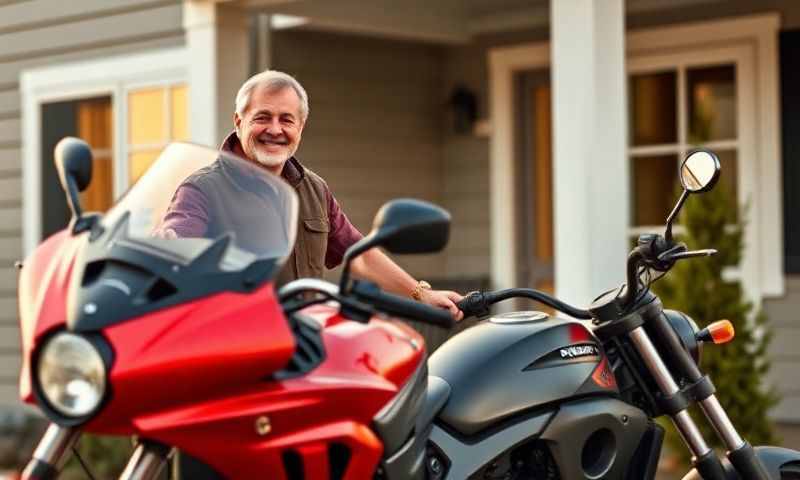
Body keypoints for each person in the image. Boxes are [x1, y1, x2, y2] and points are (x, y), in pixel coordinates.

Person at [158, 70, 464, 320]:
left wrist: (422, 294)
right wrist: (167, 251)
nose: (274, 129)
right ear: (239, 122)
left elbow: (358, 256)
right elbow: (174, 249)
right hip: (240, 356)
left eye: (286, 119)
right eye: (262, 117)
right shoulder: (202, 190)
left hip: (308, 349)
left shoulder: (314, 188)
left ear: (300, 127)